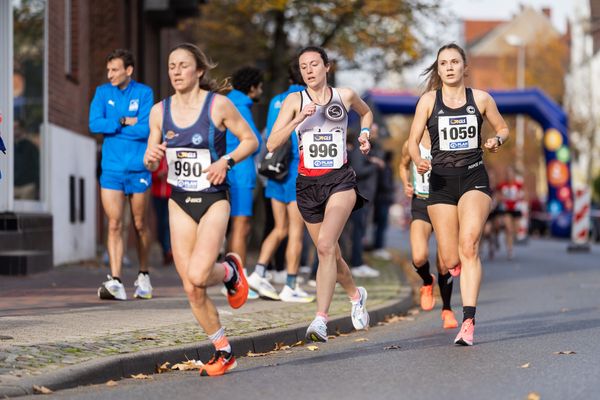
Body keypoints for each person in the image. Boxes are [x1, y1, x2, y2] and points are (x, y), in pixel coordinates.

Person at [143, 43, 258, 376]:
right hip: (179, 200)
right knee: (191, 287)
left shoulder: (218, 105)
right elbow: (151, 155)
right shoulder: (159, 111)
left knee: (197, 274)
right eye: (171, 66)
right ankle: (224, 351)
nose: (176, 72)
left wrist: (226, 160)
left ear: (199, 71)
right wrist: (150, 160)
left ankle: (230, 272)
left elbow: (250, 140)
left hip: (213, 199)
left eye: (183, 65)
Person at [267, 46, 372, 342]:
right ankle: (356, 295)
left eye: (315, 64)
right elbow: (272, 143)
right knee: (333, 255)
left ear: (327, 67)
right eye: (303, 66)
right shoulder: (293, 100)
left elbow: (367, 114)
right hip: (307, 186)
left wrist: (365, 136)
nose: (309, 70)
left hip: (340, 181)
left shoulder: (345, 96)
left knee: (325, 246)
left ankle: (320, 320)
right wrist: (298, 118)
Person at [408, 43, 509, 346]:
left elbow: (503, 128)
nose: (449, 67)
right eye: (443, 63)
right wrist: (418, 159)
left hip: (473, 178)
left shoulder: (480, 99)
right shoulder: (427, 101)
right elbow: (412, 142)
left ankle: (468, 320)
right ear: (438, 70)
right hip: (440, 183)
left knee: (469, 245)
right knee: (450, 257)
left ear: (465, 67)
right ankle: (459, 270)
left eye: (455, 62)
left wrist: (496, 141)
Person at [89, 49, 154, 300]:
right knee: (114, 224)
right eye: (108, 70)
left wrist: (119, 125)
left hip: (138, 167)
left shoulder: (144, 92)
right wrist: (124, 121)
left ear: (129, 70)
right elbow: (95, 124)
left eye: (115, 69)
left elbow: (147, 129)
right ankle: (116, 280)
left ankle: (144, 274)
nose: (110, 75)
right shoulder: (102, 93)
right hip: (112, 169)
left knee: (139, 224)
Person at [248, 63, 314, 302]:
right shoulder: (306, 99)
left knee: (279, 228)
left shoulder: (276, 99)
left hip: (275, 170)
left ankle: (258, 273)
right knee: (296, 231)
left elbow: (270, 135)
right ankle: (290, 285)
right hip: (297, 168)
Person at [399, 137, 458, 329]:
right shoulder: (410, 143)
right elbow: (403, 165)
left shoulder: (446, 139)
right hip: (421, 203)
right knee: (419, 257)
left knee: (444, 262)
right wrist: (406, 183)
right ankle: (427, 281)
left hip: (445, 204)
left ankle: (447, 309)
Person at [226, 66, 263, 269]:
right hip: (240, 172)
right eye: (260, 87)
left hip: (226, 169)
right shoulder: (240, 106)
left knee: (233, 225)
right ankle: (237, 278)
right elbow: (254, 140)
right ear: (252, 87)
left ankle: (231, 273)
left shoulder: (227, 102)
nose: (261, 92)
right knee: (241, 225)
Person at [347, 131, 381, 278]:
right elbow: (358, 171)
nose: (374, 132)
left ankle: (358, 262)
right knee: (357, 232)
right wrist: (374, 165)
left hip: (365, 196)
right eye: (370, 130)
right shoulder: (358, 150)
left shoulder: (364, 151)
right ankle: (356, 264)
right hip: (360, 197)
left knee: (360, 231)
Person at [496, 166, 524, 260]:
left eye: (511, 174)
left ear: (514, 175)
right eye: (508, 174)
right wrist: (502, 198)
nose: (509, 176)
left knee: (515, 230)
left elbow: (524, 194)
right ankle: (510, 249)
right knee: (508, 229)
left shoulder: (518, 184)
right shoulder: (502, 185)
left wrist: (520, 198)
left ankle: (510, 240)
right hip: (506, 209)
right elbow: (498, 196)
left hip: (516, 209)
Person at [151, 157, 172, 265]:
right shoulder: (157, 155)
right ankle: (165, 249)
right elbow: (150, 172)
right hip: (157, 195)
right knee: (160, 224)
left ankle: (168, 250)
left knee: (167, 222)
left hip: (170, 194)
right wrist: (158, 175)